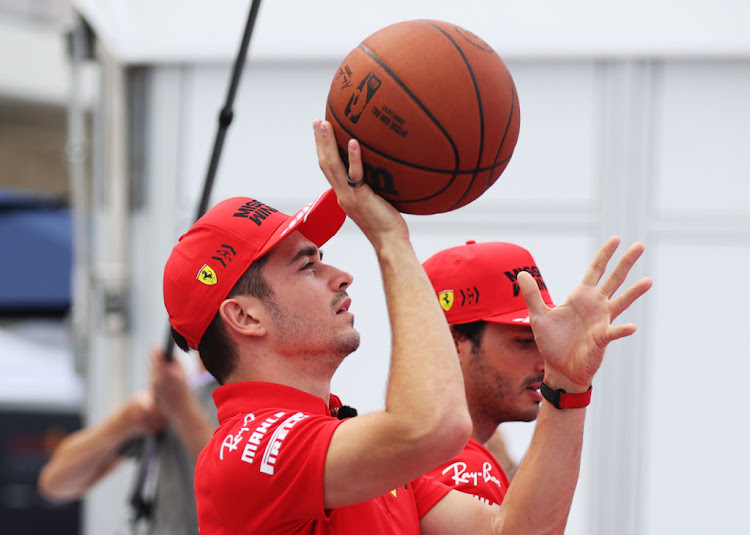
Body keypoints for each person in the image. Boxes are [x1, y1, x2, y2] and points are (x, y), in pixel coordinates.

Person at [162, 119, 652, 534]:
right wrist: (389, 237)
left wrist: (567, 387)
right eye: (307, 266)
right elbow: (433, 427)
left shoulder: (342, 437)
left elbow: (514, 530)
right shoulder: (244, 448)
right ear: (246, 316)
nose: (340, 275)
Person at [421, 240, 562, 506]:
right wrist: (571, 394)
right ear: (453, 342)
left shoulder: (473, 460)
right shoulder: (461, 468)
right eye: (523, 342)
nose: (546, 364)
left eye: (545, 343)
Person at [37, 347, 218, 534]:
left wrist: (181, 409)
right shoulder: (175, 393)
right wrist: (125, 422)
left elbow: (238, 479)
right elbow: (56, 484)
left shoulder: (240, 399)